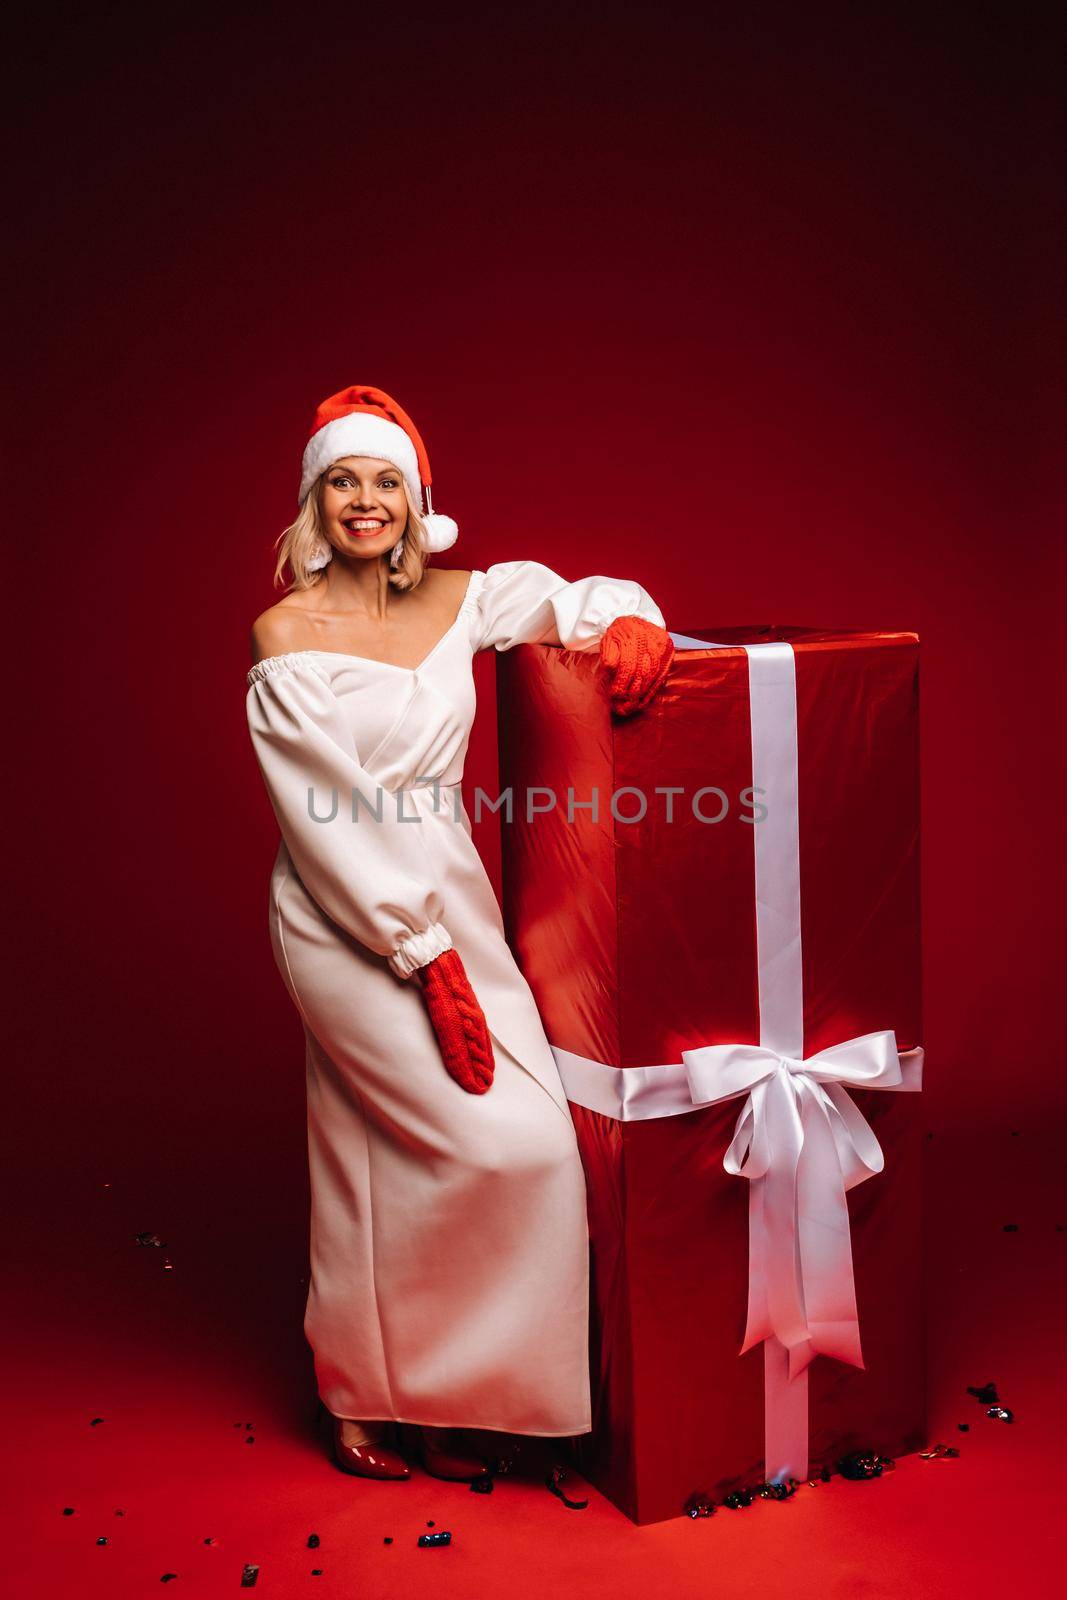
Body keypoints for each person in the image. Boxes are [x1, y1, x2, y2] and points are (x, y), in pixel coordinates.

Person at [245, 385, 674, 1482]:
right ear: (313, 499)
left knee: (463, 1151)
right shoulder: (284, 632)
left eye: (386, 480)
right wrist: (414, 952)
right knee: (494, 1147)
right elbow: (319, 814)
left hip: (453, 896)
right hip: (350, 917)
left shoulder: (462, 599)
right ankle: (386, 1392)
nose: (365, 500)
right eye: (342, 479)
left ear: (415, 499)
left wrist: (630, 619)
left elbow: (568, 599)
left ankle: (419, 1396)